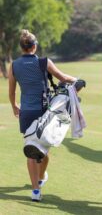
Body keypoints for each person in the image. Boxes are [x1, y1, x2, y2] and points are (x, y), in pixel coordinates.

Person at [8, 29, 77, 201]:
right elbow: (63, 78)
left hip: (26, 112)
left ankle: (35, 190)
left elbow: (11, 92)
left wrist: (14, 106)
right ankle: (40, 178)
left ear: (22, 47)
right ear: (35, 46)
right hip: (44, 111)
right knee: (43, 149)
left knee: (30, 148)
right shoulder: (44, 62)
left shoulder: (14, 65)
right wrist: (77, 80)